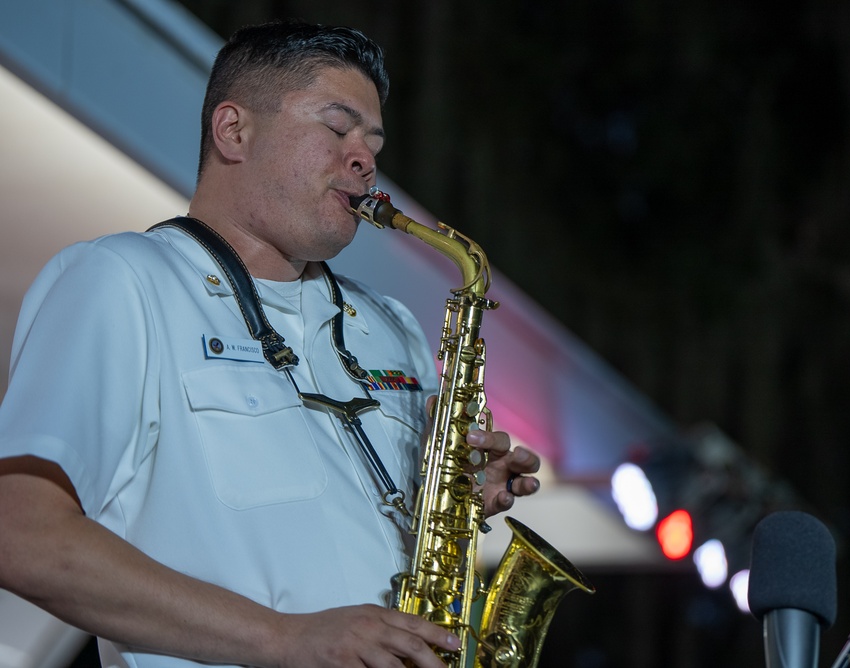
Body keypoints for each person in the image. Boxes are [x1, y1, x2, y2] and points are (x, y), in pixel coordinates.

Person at [0, 20, 541, 668]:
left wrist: (453, 496)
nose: (364, 158)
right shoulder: (124, 280)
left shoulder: (391, 324)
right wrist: (283, 638)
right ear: (234, 131)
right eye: (336, 128)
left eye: (373, 141)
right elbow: (19, 533)